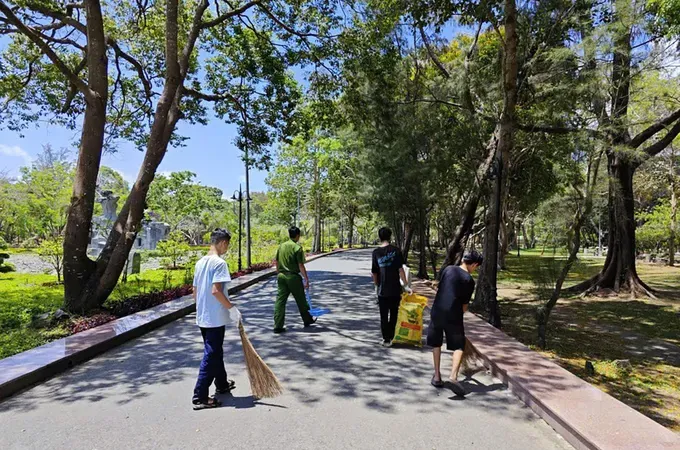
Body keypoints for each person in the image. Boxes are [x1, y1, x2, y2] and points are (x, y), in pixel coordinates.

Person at [192, 228, 240, 410]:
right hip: (214, 318)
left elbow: (194, 292)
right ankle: (200, 396)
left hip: (203, 316)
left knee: (215, 352)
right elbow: (216, 290)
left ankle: (222, 384)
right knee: (211, 354)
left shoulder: (200, 263)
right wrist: (231, 308)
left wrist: (202, 309)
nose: (227, 248)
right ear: (223, 243)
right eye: (227, 245)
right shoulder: (219, 263)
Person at [426, 249, 483, 396]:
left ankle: (437, 376)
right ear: (474, 264)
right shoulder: (469, 281)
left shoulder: (448, 269)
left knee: (436, 343)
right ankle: (453, 377)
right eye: (476, 267)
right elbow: (464, 306)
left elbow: (440, 287)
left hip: (437, 311)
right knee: (458, 345)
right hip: (454, 315)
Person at [371, 227, 412, 347]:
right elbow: (401, 270)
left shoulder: (376, 253)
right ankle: (391, 336)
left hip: (382, 289)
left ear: (380, 237)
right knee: (394, 314)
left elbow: (374, 272)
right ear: (390, 237)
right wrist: (406, 285)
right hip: (395, 289)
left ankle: (386, 339)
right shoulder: (396, 250)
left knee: (383, 316)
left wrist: (375, 286)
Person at [273, 226, 316, 333]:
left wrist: (279, 273)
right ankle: (307, 320)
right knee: (301, 300)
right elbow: (300, 265)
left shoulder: (281, 246)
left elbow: (276, 261)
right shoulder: (297, 248)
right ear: (297, 236)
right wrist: (306, 279)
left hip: (282, 276)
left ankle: (278, 326)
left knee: (280, 301)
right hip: (293, 277)